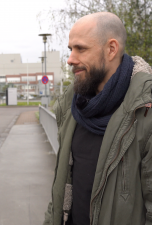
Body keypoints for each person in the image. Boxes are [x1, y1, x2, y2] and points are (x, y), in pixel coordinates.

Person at [43, 12, 152, 225]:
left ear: (111, 49)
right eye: (70, 49)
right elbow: (61, 187)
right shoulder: (71, 106)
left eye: (81, 48)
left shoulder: (145, 109)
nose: (71, 59)